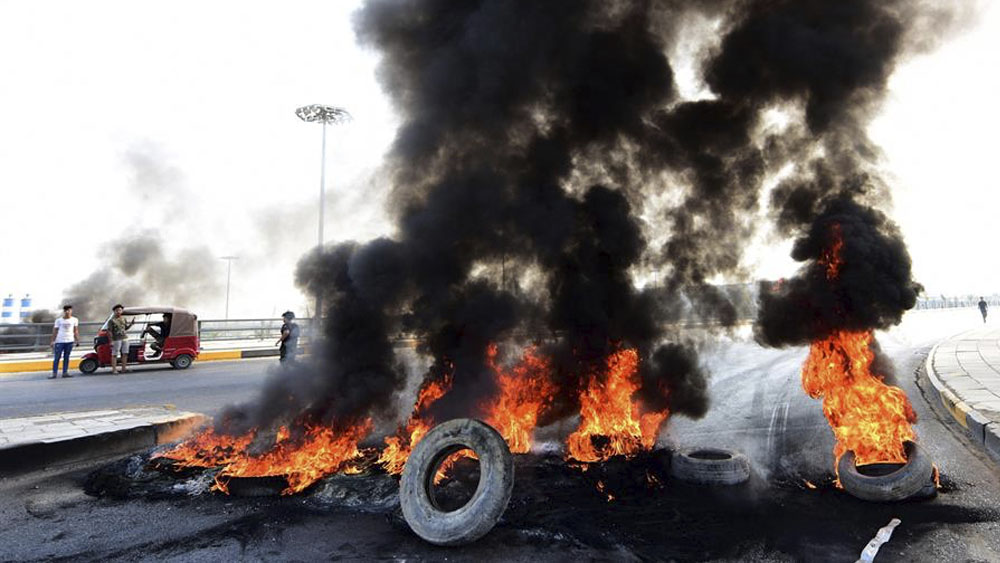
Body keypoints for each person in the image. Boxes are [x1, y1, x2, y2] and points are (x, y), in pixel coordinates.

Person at [49, 305, 79, 379]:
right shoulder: (59, 320)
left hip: (69, 340)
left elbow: (75, 330)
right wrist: (52, 341)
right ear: (64, 311)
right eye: (66, 310)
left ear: (71, 311)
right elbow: (55, 331)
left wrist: (77, 340)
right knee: (57, 357)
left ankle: (65, 372)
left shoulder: (74, 320)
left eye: (69, 310)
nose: (67, 312)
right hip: (60, 341)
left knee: (66, 357)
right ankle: (54, 373)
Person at [108, 304, 133, 375]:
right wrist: (111, 341)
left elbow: (126, 328)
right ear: (114, 311)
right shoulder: (111, 320)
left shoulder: (124, 319)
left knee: (125, 354)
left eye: (120, 310)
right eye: (117, 310)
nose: (118, 312)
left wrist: (131, 324)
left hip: (125, 338)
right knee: (115, 354)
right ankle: (114, 370)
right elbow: (109, 331)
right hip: (116, 339)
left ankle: (123, 369)